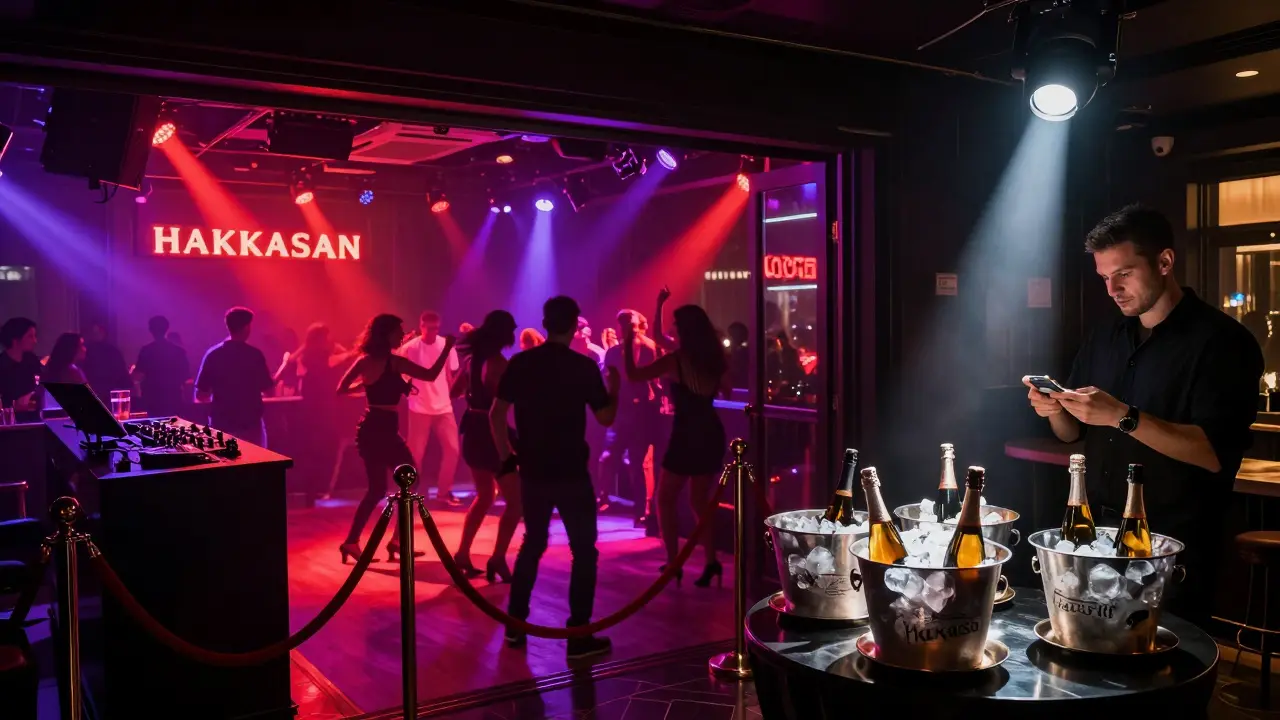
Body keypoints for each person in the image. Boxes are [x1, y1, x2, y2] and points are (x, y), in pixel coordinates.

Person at [1024, 204, 1263, 625]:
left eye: (1124, 273)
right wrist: (1053, 408)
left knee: (1163, 672)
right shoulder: (1105, 335)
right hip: (1094, 533)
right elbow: (1070, 433)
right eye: (1104, 277)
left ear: (1165, 261)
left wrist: (1122, 415)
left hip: (1173, 542)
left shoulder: (1224, 342)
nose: (1113, 288)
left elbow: (1213, 454)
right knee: (1087, 662)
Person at [492, 296, 619, 659]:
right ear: (574, 323)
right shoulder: (583, 366)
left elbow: (497, 414)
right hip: (571, 470)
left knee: (532, 544)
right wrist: (617, 390)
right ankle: (578, 635)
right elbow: (606, 417)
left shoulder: (521, 362)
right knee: (583, 550)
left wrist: (506, 457)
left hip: (533, 467)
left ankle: (516, 627)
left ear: (546, 322)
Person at [624, 293, 729, 588]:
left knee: (665, 498)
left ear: (683, 331)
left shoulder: (675, 360)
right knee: (700, 501)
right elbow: (728, 389)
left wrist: (625, 340)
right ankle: (710, 561)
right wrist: (657, 306)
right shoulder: (710, 356)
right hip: (710, 430)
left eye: (675, 327)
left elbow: (634, 374)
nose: (671, 331)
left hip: (687, 433)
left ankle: (673, 562)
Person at [337, 314, 455, 563]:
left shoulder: (365, 361)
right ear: (387, 334)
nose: (402, 335)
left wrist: (366, 387)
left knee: (377, 489)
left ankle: (352, 542)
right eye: (398, 331)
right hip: (385, 431)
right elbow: (432, 373)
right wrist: (447, 348)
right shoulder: (395, 363)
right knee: (411, 481)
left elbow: (341, 390)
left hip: (370, 428)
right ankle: (397, 542)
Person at [452, 310, 522, 582]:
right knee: (515, 503)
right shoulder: (499, 364)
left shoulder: (470, 361)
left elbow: (453, 392)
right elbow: (508, 401)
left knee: (484, 495)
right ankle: (498, 559)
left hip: (472, 430)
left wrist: (473, 394)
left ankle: (462, 554)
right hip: (493, 434)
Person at [599, 309, 661, 525]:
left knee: (637, 463)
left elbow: (655, 379)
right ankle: (604, 498)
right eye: (624, 325)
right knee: (609, 458)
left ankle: (640, 511)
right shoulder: (614, 352)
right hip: (621, 412)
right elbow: (609, 380)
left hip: (641, 412)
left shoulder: (649, 347)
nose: (628, 328)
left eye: (630, 324)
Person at [399, 311, 463, 507]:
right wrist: (410, 392)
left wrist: (452, 391)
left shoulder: (446, 345)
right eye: (428, 328)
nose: (432, 332)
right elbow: (401, 375)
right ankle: (409, 492)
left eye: (435, 328)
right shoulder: (410, 348)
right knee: (415, 453)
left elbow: (450, 373)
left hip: (443, 407)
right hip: (419, 407)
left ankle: (444, 492)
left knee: (453, 449)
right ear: (421, 326)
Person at [195, 307, 275, 447]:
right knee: (255, 465)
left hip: (222, 423)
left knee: (225, 465)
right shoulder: (254, 355)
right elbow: (270, 390)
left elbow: (201, 394)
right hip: (250, 423)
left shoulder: (213, 355)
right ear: (246, 327)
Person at [133, 316, 191, 419]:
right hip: (174, 399)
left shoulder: (147, 350)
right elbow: (186, 377)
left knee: (154, 430)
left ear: (150, 329)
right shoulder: (179, 351)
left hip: (152, 400)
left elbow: (137, 376)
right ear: (167, 328)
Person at [0, 318, 43, 422]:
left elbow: (41, 384)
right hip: (10, 422)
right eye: (30, 336)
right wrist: (15, 405)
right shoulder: (2, 364)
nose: (35, 341)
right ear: (15, 340)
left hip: (34, 418)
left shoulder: (31, 360)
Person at [82, 322, 131, 399]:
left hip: (109, 392)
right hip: (93, 391)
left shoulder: (112, 351)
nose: (96, 334)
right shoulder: (85, 351)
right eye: (94, 332)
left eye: (98, 331)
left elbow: (120, 372)